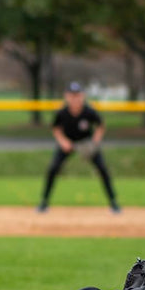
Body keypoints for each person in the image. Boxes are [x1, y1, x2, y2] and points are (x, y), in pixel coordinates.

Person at [37, 82, 120, 214]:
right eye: (72, 95)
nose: (75, 98)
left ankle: (114, 202)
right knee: (53, 169)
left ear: (83, 96)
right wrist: (63, 142)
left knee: (103, 169)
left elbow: (100, 125)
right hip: (68, 144)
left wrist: (95, 141)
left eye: (77, 95)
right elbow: (56, 128)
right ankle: (44, 202)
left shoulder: (89, 111)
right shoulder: (62, 112)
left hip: (86, 144)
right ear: (66, 96)